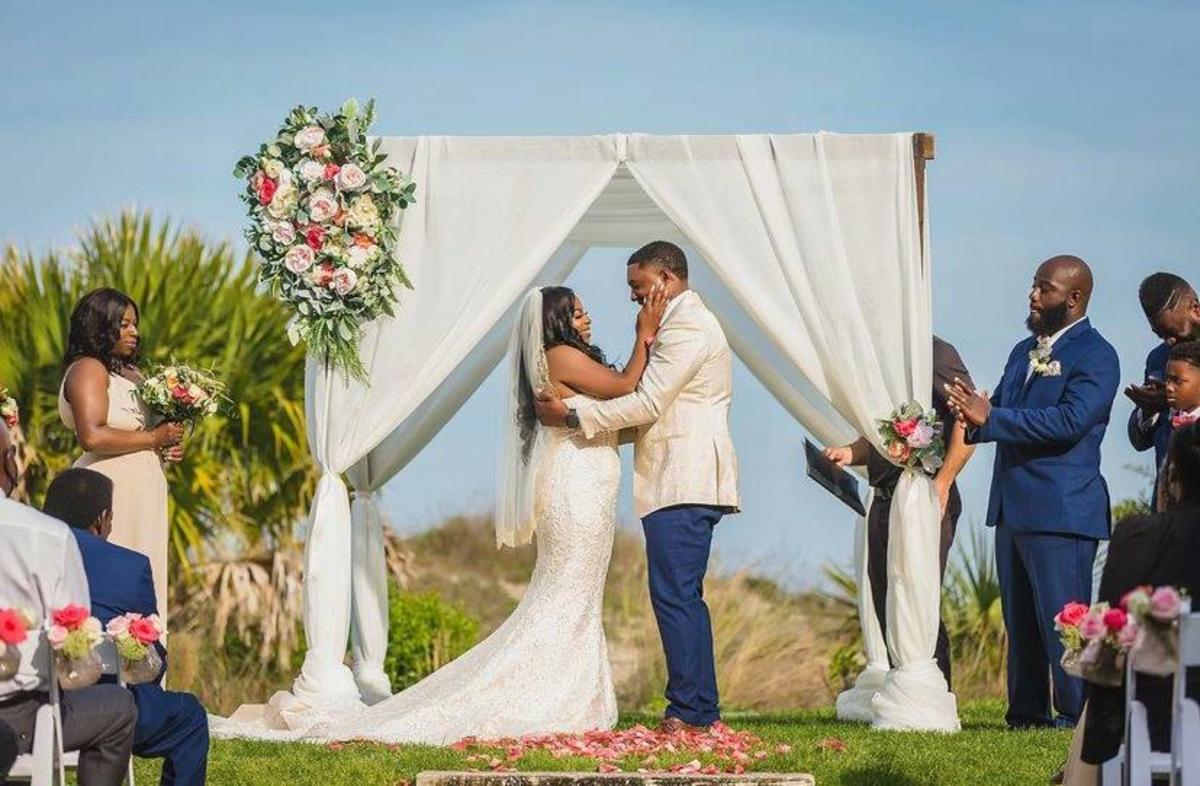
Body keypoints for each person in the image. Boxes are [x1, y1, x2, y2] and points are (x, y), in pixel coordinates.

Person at [210, 283, 667, 744]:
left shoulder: (571, 357)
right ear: (554, 322)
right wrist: (644, 332)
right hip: (576, 490)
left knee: (577, 591)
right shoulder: (561, 355)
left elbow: (609, 417)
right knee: (565, 590)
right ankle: (548, 691)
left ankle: (573, 690)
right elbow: (626, 385)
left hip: (590, 483)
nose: (586, 319)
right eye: (577, 313)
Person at [535, 241, 740, 732]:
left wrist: (573, 414)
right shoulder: (673, 324)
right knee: (676, 593)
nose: (632, 296)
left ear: (666, 281)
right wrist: (584, 425)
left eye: (637, 286)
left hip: (686, 478)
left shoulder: (689, 325)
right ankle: (696, 708)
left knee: (676, 595)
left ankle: (692, 712)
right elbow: (645, 411)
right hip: (674, 478)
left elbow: (646, 403)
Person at [947, 255, 1120, 729]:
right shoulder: (1024, 349)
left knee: (1065, 623)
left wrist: (993, 418)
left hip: (1062, 510)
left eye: (1043, 288)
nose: (1032, 295)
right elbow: (997, 412)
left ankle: (1077, 715)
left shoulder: (1097, 355)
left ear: (1073, 297)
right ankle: (1025, 714)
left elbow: (1069, 422)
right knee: (1020, 624)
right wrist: (964, 411)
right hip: (1013, 507)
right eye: (1033, 285)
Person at [825, 336, 976, 686]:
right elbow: (882, 435)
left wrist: (943, 482)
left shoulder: (937, 353)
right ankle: (899, 689)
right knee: (885, 596)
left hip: (923, 499)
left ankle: (934, 692)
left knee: (918, 598)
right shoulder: (882, 358)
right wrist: (849, 454)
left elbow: (968, 422)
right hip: (883, 498)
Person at [44, 468, 209, 786]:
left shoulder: (19, 553)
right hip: (110, 709)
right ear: (102, 518)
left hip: (24, 705)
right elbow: (151, 662)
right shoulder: (130, 566)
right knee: (189, 718)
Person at [1060, 423, 1200, 785]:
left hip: (1157, 719)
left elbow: (1109, 651)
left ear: (1172, 476)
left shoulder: (1138, 537)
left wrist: (1096, 746)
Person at [0, 419, 138, 786]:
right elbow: (75, 636)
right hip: (17, 717)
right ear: (6, 461)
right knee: (119, 708)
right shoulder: (46, 535)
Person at [59, 288, 185, 626]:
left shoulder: (131, 373)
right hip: (111, 491)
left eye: (135, 324)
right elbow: (92, 435)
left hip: (144, 494)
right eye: (124, 324)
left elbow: (142, 434)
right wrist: (153, 438)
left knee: (145, 580)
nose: (135, 332)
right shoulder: (89, 369)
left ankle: (147, 670)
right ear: (101, 325)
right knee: (115, 582)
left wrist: (165, 444)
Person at [1125, 273, 1200, 503]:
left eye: (1173, 332)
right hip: (1169, 505)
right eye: (1161, 335)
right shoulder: (1158, 359)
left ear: (1195, 309)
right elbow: (1140, 441)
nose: (1168, 342)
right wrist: (1148, 409)